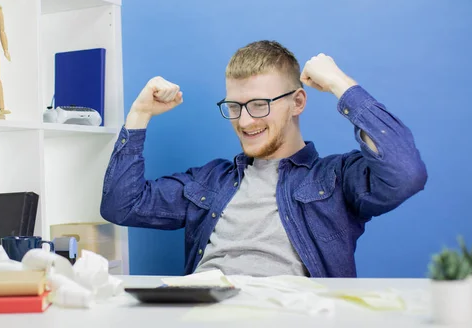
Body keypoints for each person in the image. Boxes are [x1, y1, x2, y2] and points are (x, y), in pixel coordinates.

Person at [100, 40, 427, 277]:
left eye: (259, 105)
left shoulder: (335, 178)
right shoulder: (210, 181)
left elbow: (405, 174)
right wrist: (140, 113)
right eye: (234, 107)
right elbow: (121, 204)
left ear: (298, 102)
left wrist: (340, 84)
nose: (244, 121)